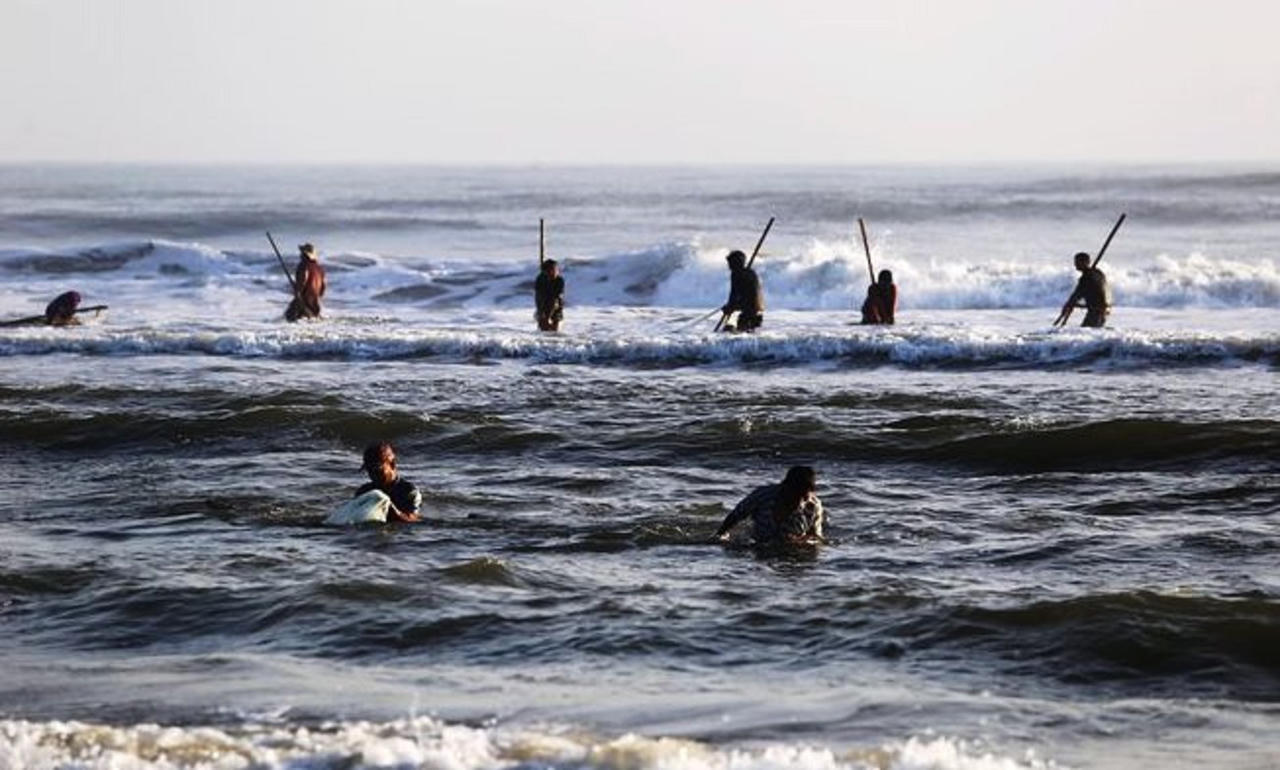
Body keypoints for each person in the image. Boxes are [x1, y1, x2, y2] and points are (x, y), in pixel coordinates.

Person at [711, 466, 824, 546]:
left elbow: (816, 538)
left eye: (804, 497)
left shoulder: (814, 507)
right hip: (759, 543)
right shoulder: (762, 495)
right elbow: (736, 515)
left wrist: (801, 541)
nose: (798, 502)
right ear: (784, 487)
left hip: (791, 549)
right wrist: (719, 538)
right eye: (795, 496)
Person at [355, 442, 423, 523]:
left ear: (392, 464)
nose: (373, 475)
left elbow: (413, 520)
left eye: (377, 470)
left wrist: (390, 509)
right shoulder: (364, 492)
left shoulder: (409, 492)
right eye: (369, 471)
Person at [1061, 252, 1111, 328]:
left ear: (1086, 262)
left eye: (1078, 262)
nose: (1075, 264)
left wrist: (1068, 305)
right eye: (1075, 262)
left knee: (1087, 330)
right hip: (1103, 310)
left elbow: (1077, 294)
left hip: (1097, 311)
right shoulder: (1097, 273)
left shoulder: (1087, 277)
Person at [721, 250, 764, 332]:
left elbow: (734, 295)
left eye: (730, 263)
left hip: (749, 313)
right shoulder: (751, 272)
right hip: (757, 313)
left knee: (729, 331)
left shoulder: (736, 274)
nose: (729, 267)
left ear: (735, 263)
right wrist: (730, 307)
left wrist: (729, 307)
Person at [285, 243, 326, 322]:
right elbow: (323, 288)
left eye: (301, 253)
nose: (300, 255)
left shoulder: (303, 266)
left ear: (304, 255)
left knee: (289, 318)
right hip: (315, 304)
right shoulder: (320, 269)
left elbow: (304, 279)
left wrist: (297, 291)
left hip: (303, 300)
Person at [535, 259, 564, 331]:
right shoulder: (541, 279)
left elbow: (558, 295)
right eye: (551, 270)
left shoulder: (559, 280)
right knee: (544, 328)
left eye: (556, 270)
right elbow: (539, 295)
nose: (554, 272)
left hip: (556, 305)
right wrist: (542, 314)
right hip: (543, 304)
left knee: (555, 330)